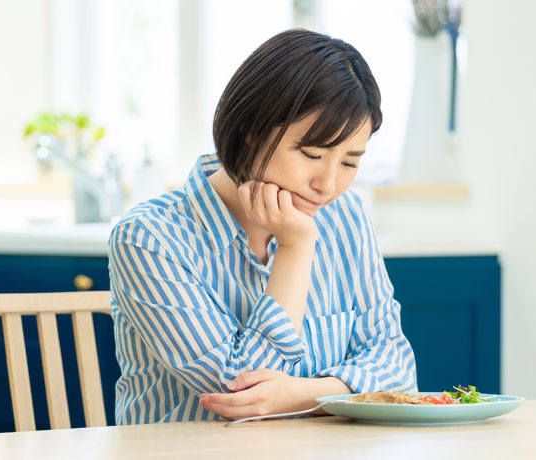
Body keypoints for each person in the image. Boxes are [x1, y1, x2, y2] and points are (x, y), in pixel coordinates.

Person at [109, 28, 417, 423]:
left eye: (349, 162)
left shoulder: (346, 216)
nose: (327, 185)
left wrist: (298, 395)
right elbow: (236, 392)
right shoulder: (150, 238)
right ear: (250, 132)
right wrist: (295, 249)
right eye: (311, 153)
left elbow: (399, 373)